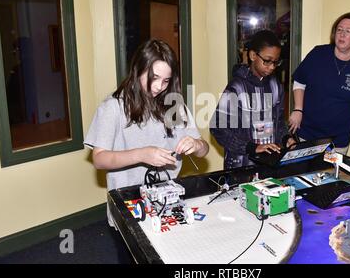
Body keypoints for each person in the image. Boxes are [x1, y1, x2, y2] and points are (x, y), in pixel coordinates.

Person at [84, 39, 209, 227]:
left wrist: (197, 144)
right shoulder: (113, 107)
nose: (159, 86)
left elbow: (204, 150)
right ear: (137, 70)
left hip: (168, 200)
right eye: (154, 77)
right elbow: (99, 159)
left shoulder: (173, 105)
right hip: (128, 203)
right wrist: (142, 154)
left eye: (166, 80)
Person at [289, 12, 350, 160]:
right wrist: (298, 109)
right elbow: (299, 81)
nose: (342, 34)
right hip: (306, 134)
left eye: (348, 31)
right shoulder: (318, 54)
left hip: (337, 142)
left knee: (329, 179)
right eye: (339, 29)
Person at [210, 29, 293, 169]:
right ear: (253, 55)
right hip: (241, 165)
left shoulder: (276, 86)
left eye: (275, 62)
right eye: (267, 61)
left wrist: (286, 139)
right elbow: (218, 127)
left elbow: (279, 122)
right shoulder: (236, 87)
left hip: (269, 163)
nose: (272, 67)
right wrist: (251, 147)